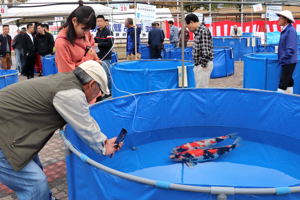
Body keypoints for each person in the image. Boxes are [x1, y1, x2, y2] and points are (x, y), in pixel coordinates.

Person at [0, 60, 123, 200]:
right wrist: (103, 147)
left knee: (35, 170)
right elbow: (85, 126)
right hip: (4, 136)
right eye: (99, 90)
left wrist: (104, 141)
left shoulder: (65, 80)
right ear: (92, 84)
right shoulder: (71, 93)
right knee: (35, 184)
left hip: (14, 130)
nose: (98, 94)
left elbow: (84, 117)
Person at [55, 1, 101, 73]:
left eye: (89, 29)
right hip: (75, 83)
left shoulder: (86, 32)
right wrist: (88, 58)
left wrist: (95, 59)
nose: (86, 33)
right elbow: (67, 72)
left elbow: (91, 47)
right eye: (84, 29)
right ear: (74, 21)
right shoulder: (61, 42)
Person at [185, 14, 214, 88]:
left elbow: (206, 50)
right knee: (199, 87)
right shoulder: (198, 32)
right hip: (199, 65)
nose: (188, 29)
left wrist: (203, 65)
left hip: (202, 65)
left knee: (201, 90)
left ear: (191, 22)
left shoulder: (203, 31)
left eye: (188, 26)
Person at [276, 10, 298, 94]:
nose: (278, 19)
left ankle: (277, 101)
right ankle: (289, 97)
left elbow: (290, 49)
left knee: (283, 82)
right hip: (287, 60)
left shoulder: (290, 30)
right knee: (288, 80)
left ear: (286, 19)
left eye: (280, 18)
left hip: (289, 61)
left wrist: (283, 58)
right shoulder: (286, 30)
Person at [94, 15, 114, 95]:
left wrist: (98, 44)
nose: (99, 23)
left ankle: (109, 91)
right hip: (99, 57)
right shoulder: (98, 32)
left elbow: (110, 43)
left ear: (104, 22)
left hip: (106, 56)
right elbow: (95, 41)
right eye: (98, 21)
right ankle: (103, 90)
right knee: (101, 75)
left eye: (101, 21)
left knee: (107, 75)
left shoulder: (108, 32)